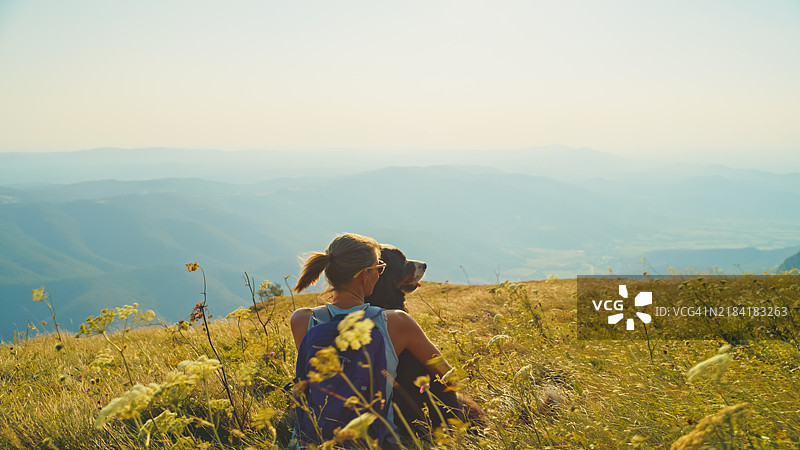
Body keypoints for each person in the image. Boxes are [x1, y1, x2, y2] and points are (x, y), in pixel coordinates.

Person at [290, 233, 452, 447]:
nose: (380, 273)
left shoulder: (302, 319)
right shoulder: (396, 322)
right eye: (380, 268)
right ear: (365, 275)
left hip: (314, 441)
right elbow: (447, 374)